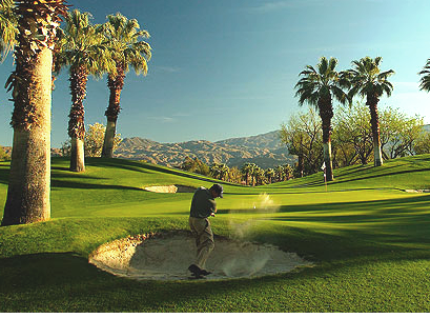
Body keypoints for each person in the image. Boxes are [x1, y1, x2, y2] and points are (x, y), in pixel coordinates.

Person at [188, 183, 223, 277]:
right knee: (209, 243)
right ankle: (197, 265)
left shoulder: (200, 190)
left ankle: (201, 268)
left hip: (191, 220)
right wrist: (211, 213)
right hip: (200, 221)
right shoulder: (212, 202)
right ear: (214, 191)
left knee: (200, 243)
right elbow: (212, 210)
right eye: (217, 195)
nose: (217, 197)